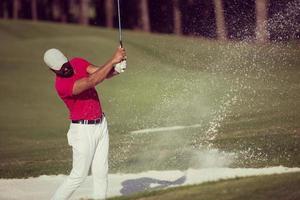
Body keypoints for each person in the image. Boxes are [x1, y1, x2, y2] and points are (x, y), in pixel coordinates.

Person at [43, 47, 127, 200]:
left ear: (66, 58)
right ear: (52, 70)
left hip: (101, 124)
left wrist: (116, 69)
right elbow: (92, 80)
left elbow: (100, 72)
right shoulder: (62, 85)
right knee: (78, 176)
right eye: (61, 69)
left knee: (101, 172)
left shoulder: (77, 62)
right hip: (82, 132)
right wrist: (113, 60)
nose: (66, 69)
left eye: (66, 64)